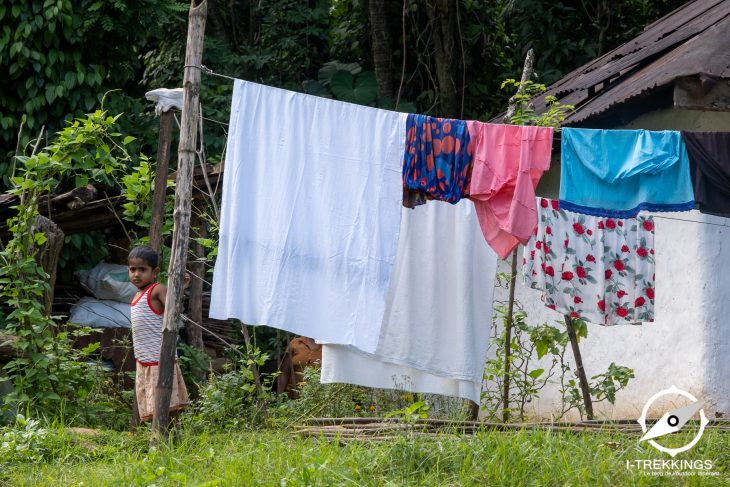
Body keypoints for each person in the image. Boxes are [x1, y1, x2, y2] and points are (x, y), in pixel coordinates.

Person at [128, 245, 189, 422]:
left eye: (142, 269)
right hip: (144, 360)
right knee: (155, 408)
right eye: (132, 269)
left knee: (166, 407)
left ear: (154, 272)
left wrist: (181, 289)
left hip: (159, 360)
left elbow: (173, 309)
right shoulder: (137, 296)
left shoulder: (156, 290)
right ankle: (163, 440)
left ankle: (168, 440)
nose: (136, 274)